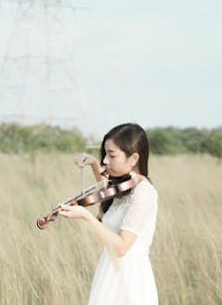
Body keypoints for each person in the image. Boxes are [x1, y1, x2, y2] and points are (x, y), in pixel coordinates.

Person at [59, 123, 159, 305]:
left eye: (112, 155)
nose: (105, 160)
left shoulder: (143, 192)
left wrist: (86, 216)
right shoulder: (126, 186)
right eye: (105, 154)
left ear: (134, 158)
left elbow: (121, 247)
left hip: (130, 279)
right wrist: (93, 163)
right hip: (110, 271)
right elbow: (107, 194)